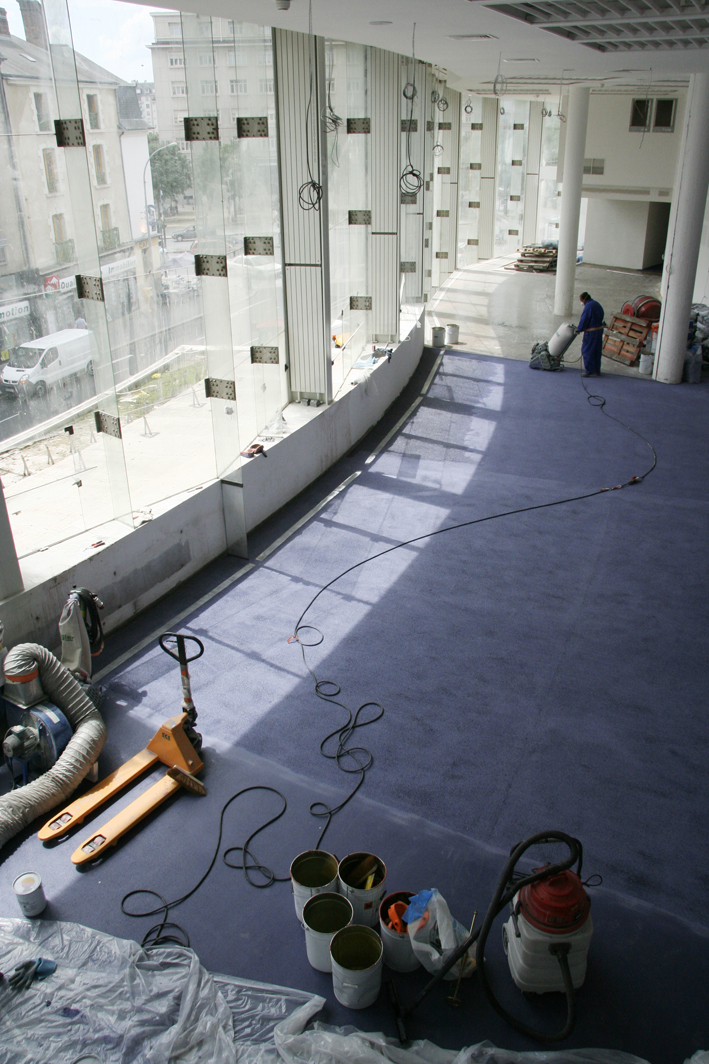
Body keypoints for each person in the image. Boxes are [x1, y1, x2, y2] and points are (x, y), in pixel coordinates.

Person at [576, 292, 604, 377]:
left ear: (584, 299)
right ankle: (596, 370)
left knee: (587, 351)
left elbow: (584, 320)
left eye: (581, 300)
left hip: (591, 333)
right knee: (596, 351)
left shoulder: (588, 307)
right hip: (599, 331)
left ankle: (589, 370)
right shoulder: (596, 304)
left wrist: (579, 329)